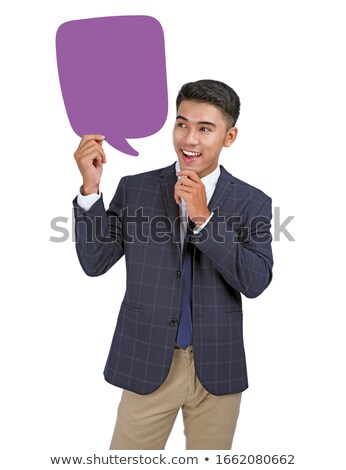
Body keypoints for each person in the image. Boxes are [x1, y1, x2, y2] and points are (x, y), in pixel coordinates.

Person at [73, 79, 273, 450]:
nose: (189, 139)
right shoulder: (136, 189)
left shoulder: (253, 202)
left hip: (218, 365)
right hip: (147, 359)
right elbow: (95, 262)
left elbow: (256, 280)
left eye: (204, 128)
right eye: (182, 124)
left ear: (229, 137)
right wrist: (90, 190)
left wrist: (203, 218)